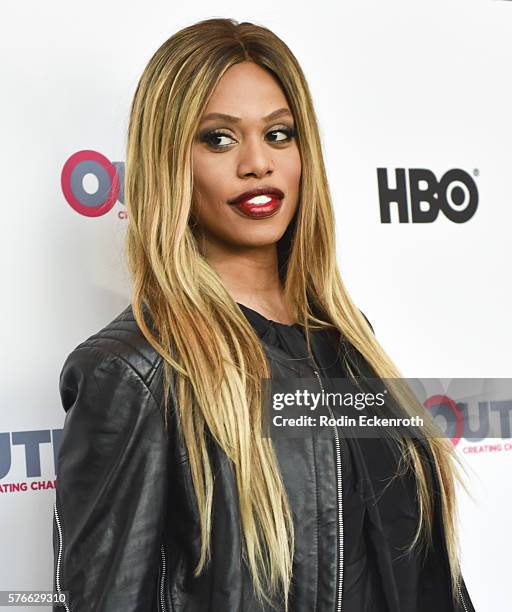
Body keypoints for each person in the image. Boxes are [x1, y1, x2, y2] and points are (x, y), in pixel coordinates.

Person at [52, 17, 477, 612]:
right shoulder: (135, 373)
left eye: (279, 134)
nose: (258, 162)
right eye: (219, 139)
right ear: (171, 162)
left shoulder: (352, 343)